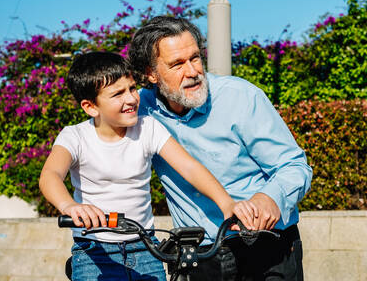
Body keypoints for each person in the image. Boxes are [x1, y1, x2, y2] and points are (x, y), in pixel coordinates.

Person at [39, 52, 257, 281]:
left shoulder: (148, 128)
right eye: (118, 94)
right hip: (95, 252)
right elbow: (50, 175)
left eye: (132, 89)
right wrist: (70, 206)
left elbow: (189, 167)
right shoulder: (74, 136)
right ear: (91, 107)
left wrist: (226, 203)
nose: (131, 99)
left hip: (145, 248)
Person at [129, 16, 313, 281]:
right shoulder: (140, 110)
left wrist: (270, 197)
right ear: (150, 74)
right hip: (199, 254)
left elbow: (294, 166)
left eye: (194, 58)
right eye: (177, 64)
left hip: (266, 245)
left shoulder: (241, 97)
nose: (192, 71)